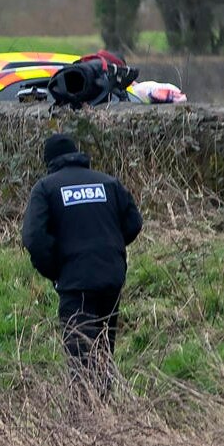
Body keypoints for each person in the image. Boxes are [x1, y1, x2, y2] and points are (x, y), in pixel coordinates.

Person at [21, 132, 143, 397]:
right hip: (111, 278)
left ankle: (86, 423)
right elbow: (134, 223)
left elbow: (33, 238)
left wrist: (55, 271)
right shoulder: (108, 183)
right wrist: (110, 249)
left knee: (81, 360)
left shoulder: (46, 188)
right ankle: (105, 411)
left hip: (75, 285)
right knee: (103, 351)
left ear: (49, 161)